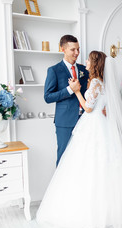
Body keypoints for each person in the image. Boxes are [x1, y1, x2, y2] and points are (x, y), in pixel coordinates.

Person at [36, 51, 122, 228]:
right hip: (98, 123)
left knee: (90, 164)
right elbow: (105, 105)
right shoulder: (102, 82)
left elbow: (88, 108)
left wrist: (77, 91)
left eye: (88, 59)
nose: (84, 61)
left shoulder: (95, 82)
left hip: (92, 123)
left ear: (94, 63)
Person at [44, 35, 89, 166]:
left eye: (78, 49)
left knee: (83, 157)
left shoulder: (83, 70)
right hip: (65, 122)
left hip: (85, 120)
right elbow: (48, 97)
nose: (77, 53)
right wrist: (69, 90)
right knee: (64, 157)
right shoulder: (54, 70)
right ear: (63, 49)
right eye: (73, 49)